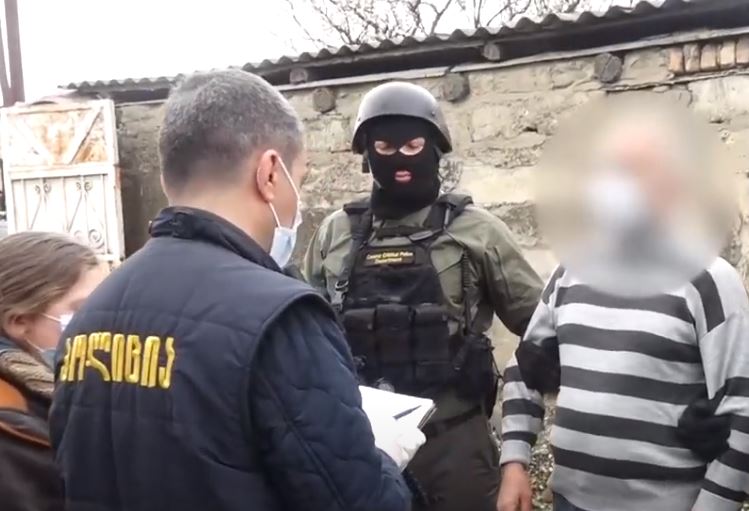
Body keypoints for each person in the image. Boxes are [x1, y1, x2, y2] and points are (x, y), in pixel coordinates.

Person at [49, 70, 417, 511]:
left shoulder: (93, 311)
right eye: (300, 179)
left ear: (168, 179)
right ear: (270, 173)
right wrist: (384, 460)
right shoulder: (280, 317)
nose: (298, 201)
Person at [303, 81, 544, 511]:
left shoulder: (477, 230)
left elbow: (541, 332)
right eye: (384, 146)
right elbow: (308, 341)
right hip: (364, 445)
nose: (399, 158)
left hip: (456, 443)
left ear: (434, 149)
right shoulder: (335, 232)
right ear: (367, 154)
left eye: (413, 145)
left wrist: (517, 452)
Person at [498, 114, 746, 511]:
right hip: (570, 501)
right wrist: (514, 464)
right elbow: (524, 370)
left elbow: (741, 410)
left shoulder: (709, 281)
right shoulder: (571, 271)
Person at [0, 232, 105, 511]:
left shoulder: (53, 391)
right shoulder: (11, 424)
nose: (102, 321)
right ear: (19, 321)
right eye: (85, 309)